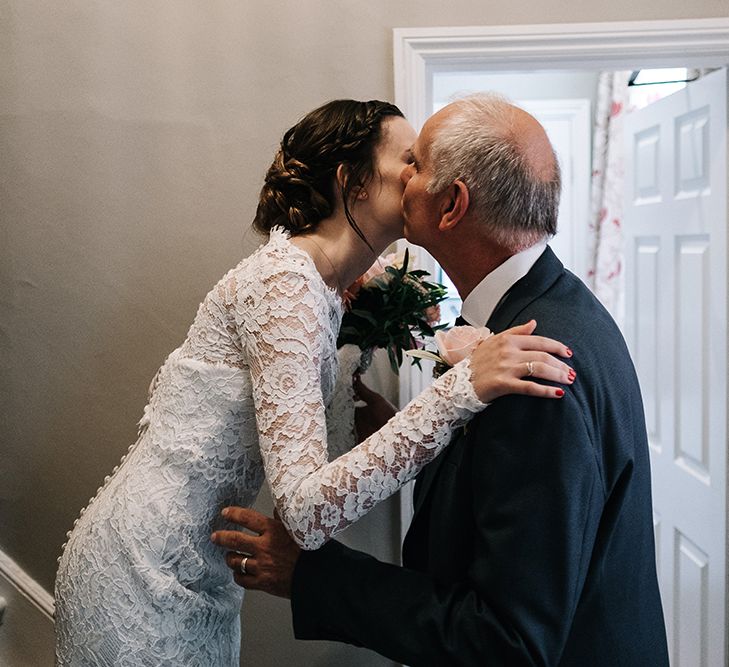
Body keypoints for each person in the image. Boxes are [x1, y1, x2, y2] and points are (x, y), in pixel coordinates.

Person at [53, 98, 574, 666]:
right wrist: (460, 389)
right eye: (410, 159)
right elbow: (304, 513)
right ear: (352, 182)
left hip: (201, 574)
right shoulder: (287, 283)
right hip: (140, 570)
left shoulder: (327, 290)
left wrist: (385, 419)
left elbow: (312, 462)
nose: (422, 175)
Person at [216, 94, 669, 666]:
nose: (405, 179)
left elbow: (505, 643)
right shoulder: (557, 310)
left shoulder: (536, 366)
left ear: (452, 203)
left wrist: (312, 576)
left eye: (418, 165)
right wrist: (419, 439)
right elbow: (512, 492)